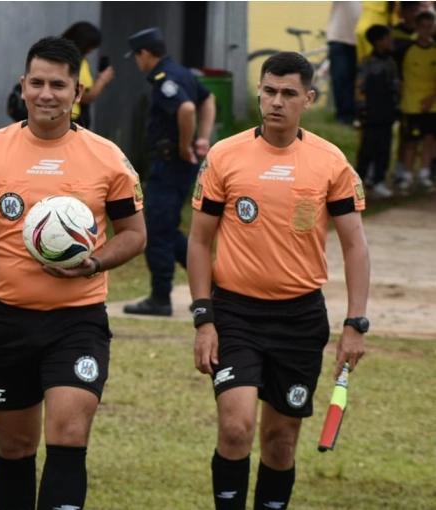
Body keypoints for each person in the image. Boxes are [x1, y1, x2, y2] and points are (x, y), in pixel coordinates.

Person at [0, 36, 145, 510]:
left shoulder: (107, 156)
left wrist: (94, 263)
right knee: (15, 447)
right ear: (23, 85)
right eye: (38, 83)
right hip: (6, 320)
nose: (47, 94)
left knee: (69, 432)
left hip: (77, 321)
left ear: (77, 92)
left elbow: (134, 234)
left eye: (59, 85)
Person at [188, 51, 369, 510]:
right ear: (259, 92)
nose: (276, 101)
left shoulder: (330, 161)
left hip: (299, 319)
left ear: (308, 99)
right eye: (269, 90)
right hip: (235, 313)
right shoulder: (225, 155)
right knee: (235, 427)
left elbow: (355, 245)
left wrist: (355, 323)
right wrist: (204, 319)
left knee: (280, 441)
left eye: (289, 93)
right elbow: (199, 241)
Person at [122, 27, 216, 317]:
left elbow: (187, 109)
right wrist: (203, 138)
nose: (137, 62)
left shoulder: (166, 79)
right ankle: (213, 288)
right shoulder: (182, 72)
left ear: (145, 53)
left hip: (170, 164)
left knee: (157, 231)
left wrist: (186, 146)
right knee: (167, 229)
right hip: (177, 166)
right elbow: (208, 99)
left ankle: (160, 297)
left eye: (136, 56)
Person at [356, 25, 399, 198]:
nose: (391, 41)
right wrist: (362, 110)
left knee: (384, 147)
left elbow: (395, 86)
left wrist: (396, 106)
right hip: (371, 113)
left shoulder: (391, 62)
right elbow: (359, 88)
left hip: (387, 112)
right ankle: (359, 180)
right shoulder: (367, 63)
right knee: (367, 148)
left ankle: (379, 180)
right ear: (378, 41)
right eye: (388, 38)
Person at [396, 9, 436, 191]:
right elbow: (397, 76)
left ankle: (425, 175)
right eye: (424, 27)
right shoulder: (405, 50)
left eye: (430, 27)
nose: (427, 31)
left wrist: (431, 99)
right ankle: (407, 176)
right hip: (411, 104)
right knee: (411, 141)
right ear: (417, 28)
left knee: (429, 139)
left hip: (432, 104)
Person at [61, 21, 115, 129]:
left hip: (80, 119)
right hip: (68, 119)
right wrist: (102, 80)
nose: (91, 50)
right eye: (91, 46)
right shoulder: (65, 61)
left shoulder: (82, 60)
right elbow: (83, 96)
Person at [326, 0, 362, 125]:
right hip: (339, 38)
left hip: (361, 41)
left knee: (357, 80)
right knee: (340, 77)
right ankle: (343, 116)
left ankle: (356, 115)